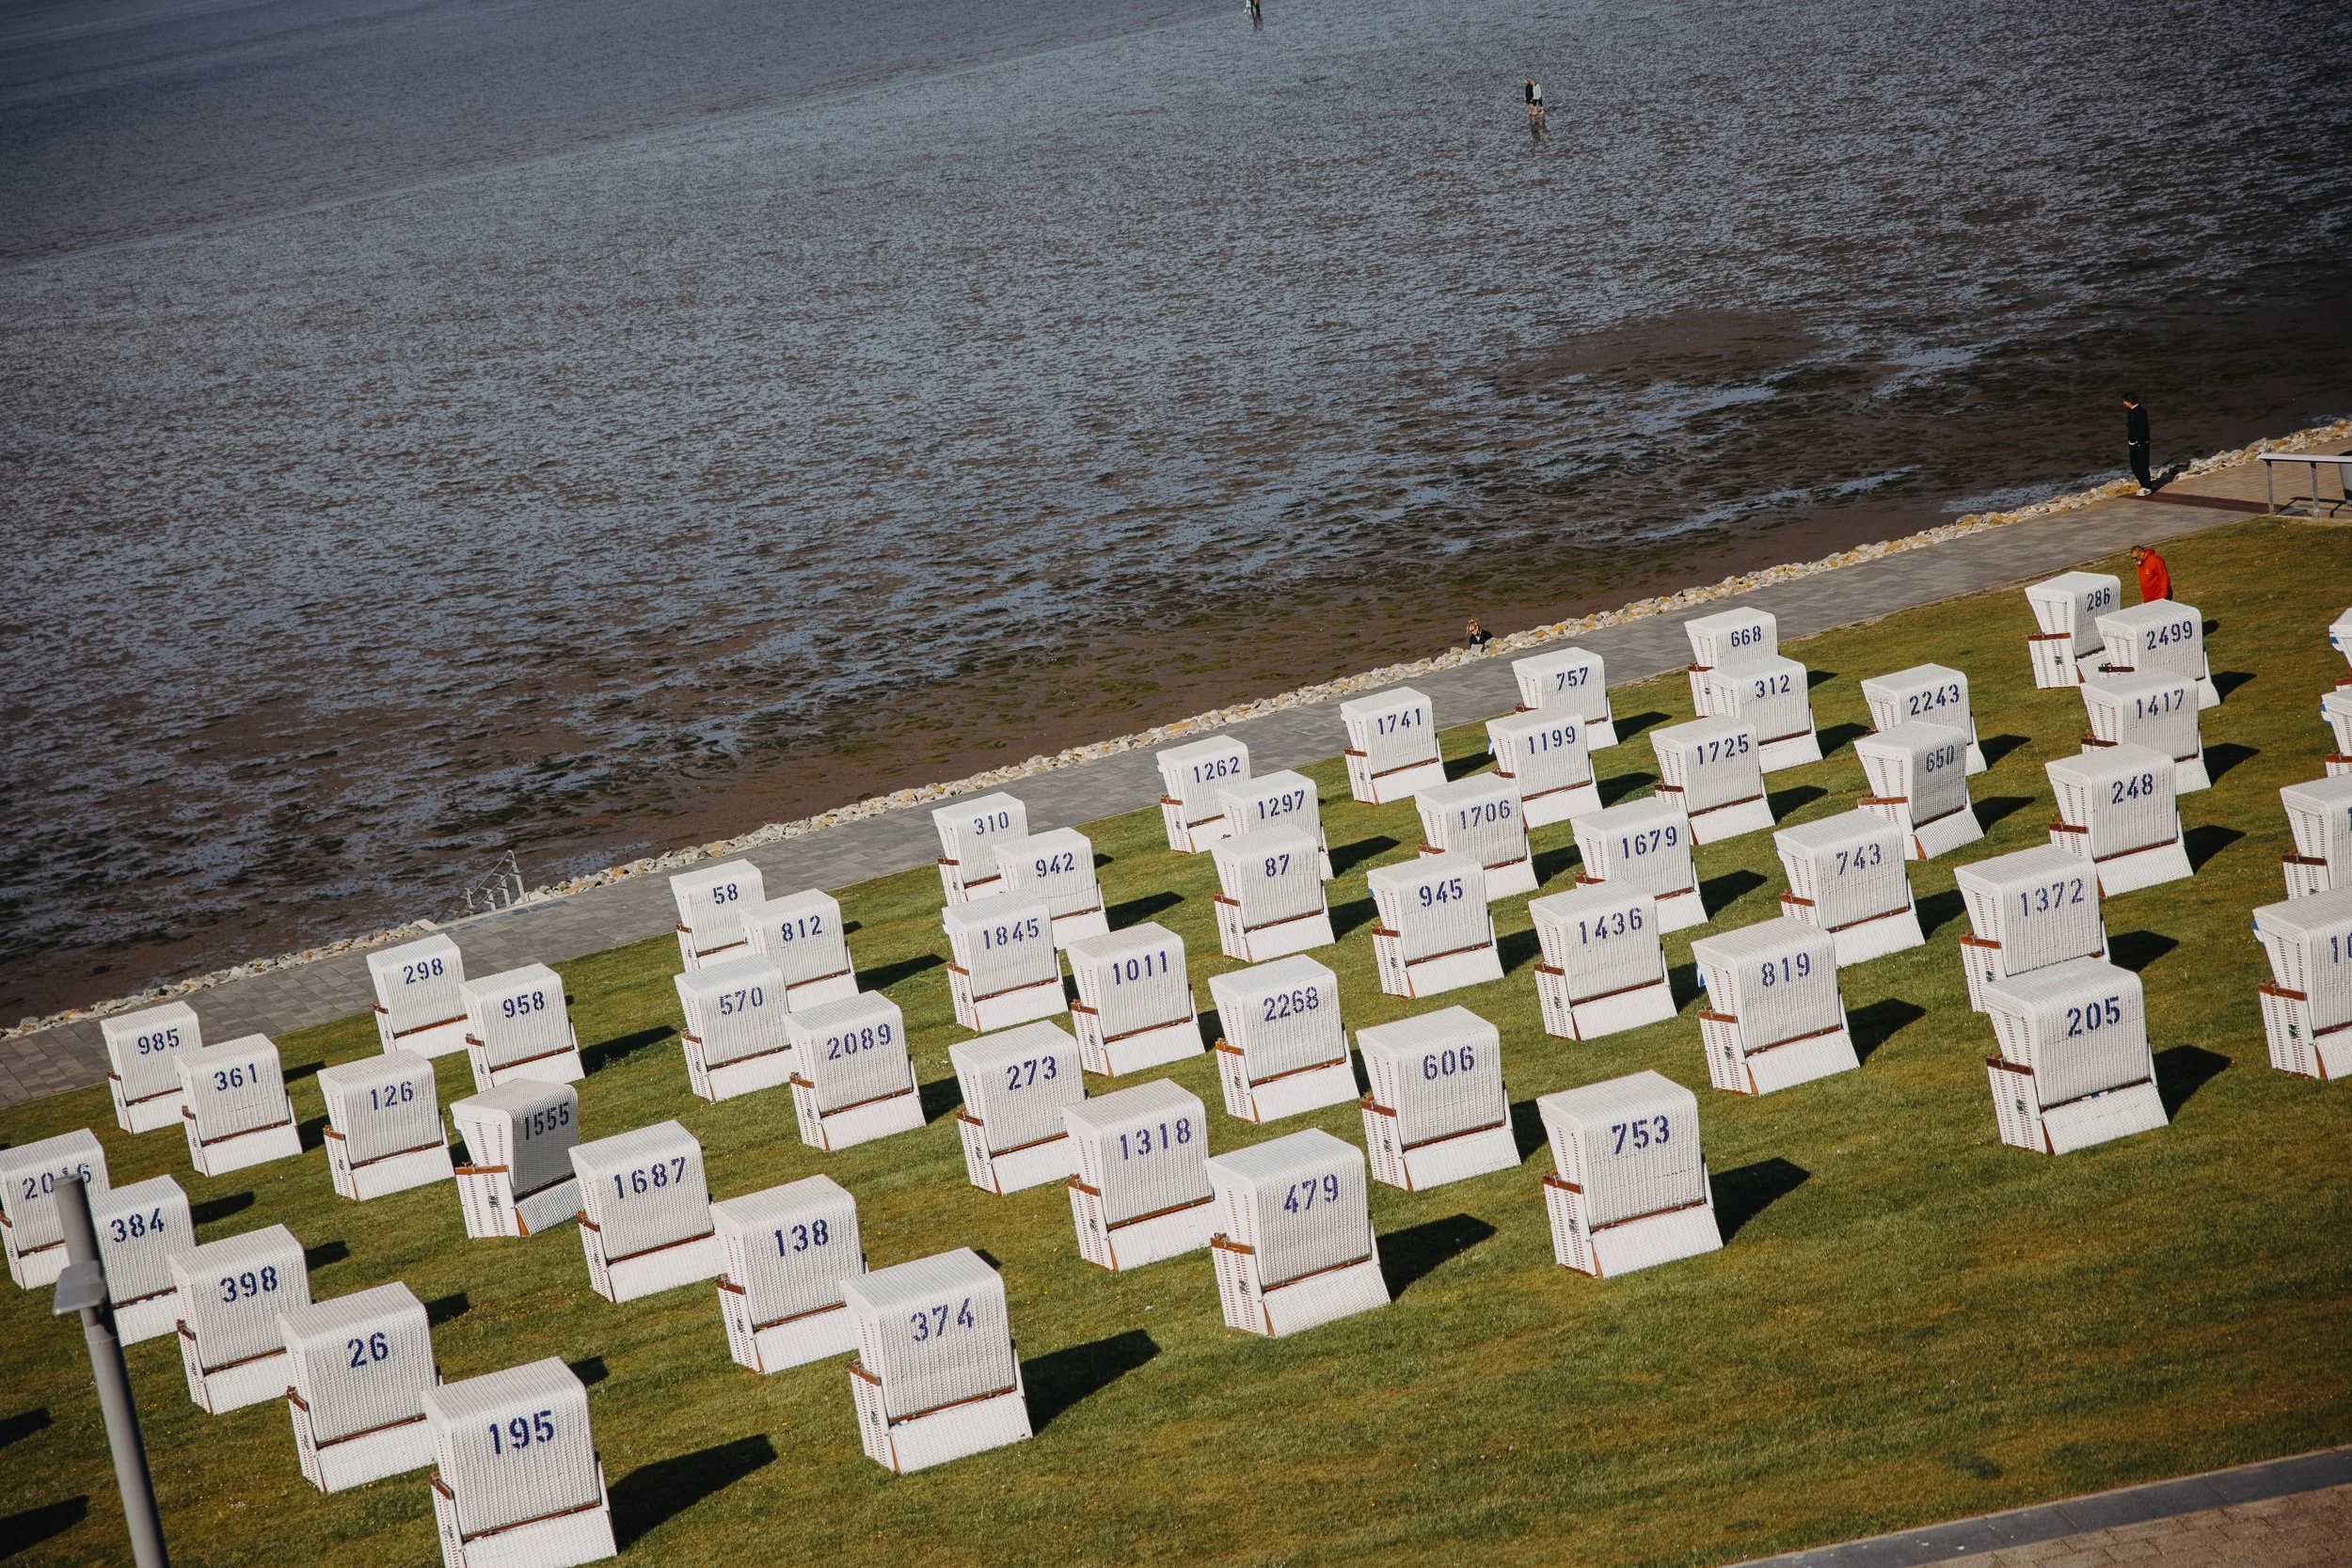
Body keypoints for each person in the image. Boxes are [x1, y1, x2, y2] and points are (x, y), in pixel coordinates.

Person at [2124, 394, 2153, 496]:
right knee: (2135, 465)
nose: (2124, 403)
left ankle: (2146, 486)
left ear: (2129, 401)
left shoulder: (2140, 411)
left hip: (2140, 443)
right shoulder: (2131, 412)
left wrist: (2140, 442)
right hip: (2133, 443)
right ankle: (2143, 484)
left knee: (2142, 464)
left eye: (2125, 401)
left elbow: (2143, 428)